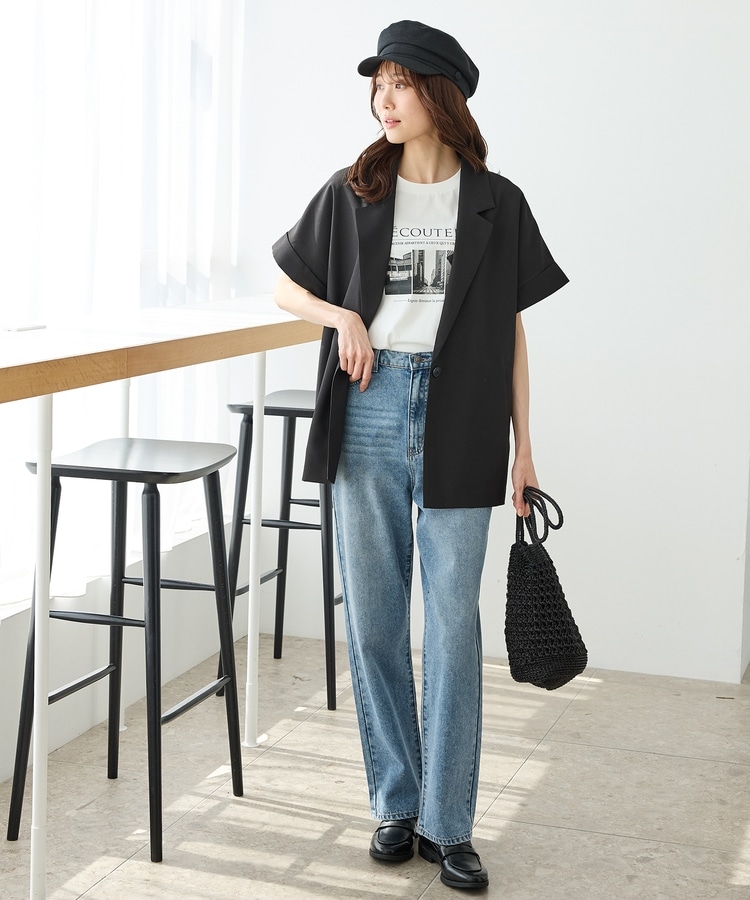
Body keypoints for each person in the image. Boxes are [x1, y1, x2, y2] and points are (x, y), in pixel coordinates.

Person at [272, 20, 568, 891]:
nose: (383, 101)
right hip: (368, 405)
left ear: (441, 94)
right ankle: (396, 804)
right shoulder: (354, 189)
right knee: (373, 620)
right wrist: (342, 315)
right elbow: (283, 284)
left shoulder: (497, 203)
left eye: (399, 84)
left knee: (450, 624)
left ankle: (449, 823)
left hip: (463, 413)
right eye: (378, 86)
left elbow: (512, 332)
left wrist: (525, 449)